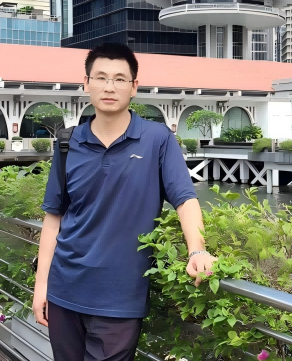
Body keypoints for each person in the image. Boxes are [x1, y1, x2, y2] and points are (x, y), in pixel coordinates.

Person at [33, 43, 216, 361]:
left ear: (134, 87)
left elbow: (185, 199)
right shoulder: (67, 142)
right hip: (64, 291)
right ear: (86, 83)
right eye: (101, 77)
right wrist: (41, 287)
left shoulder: (157, 139)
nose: (109, 87)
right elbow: (54, 219)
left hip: (120, 297)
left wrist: (197, 250)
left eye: (119, 79)